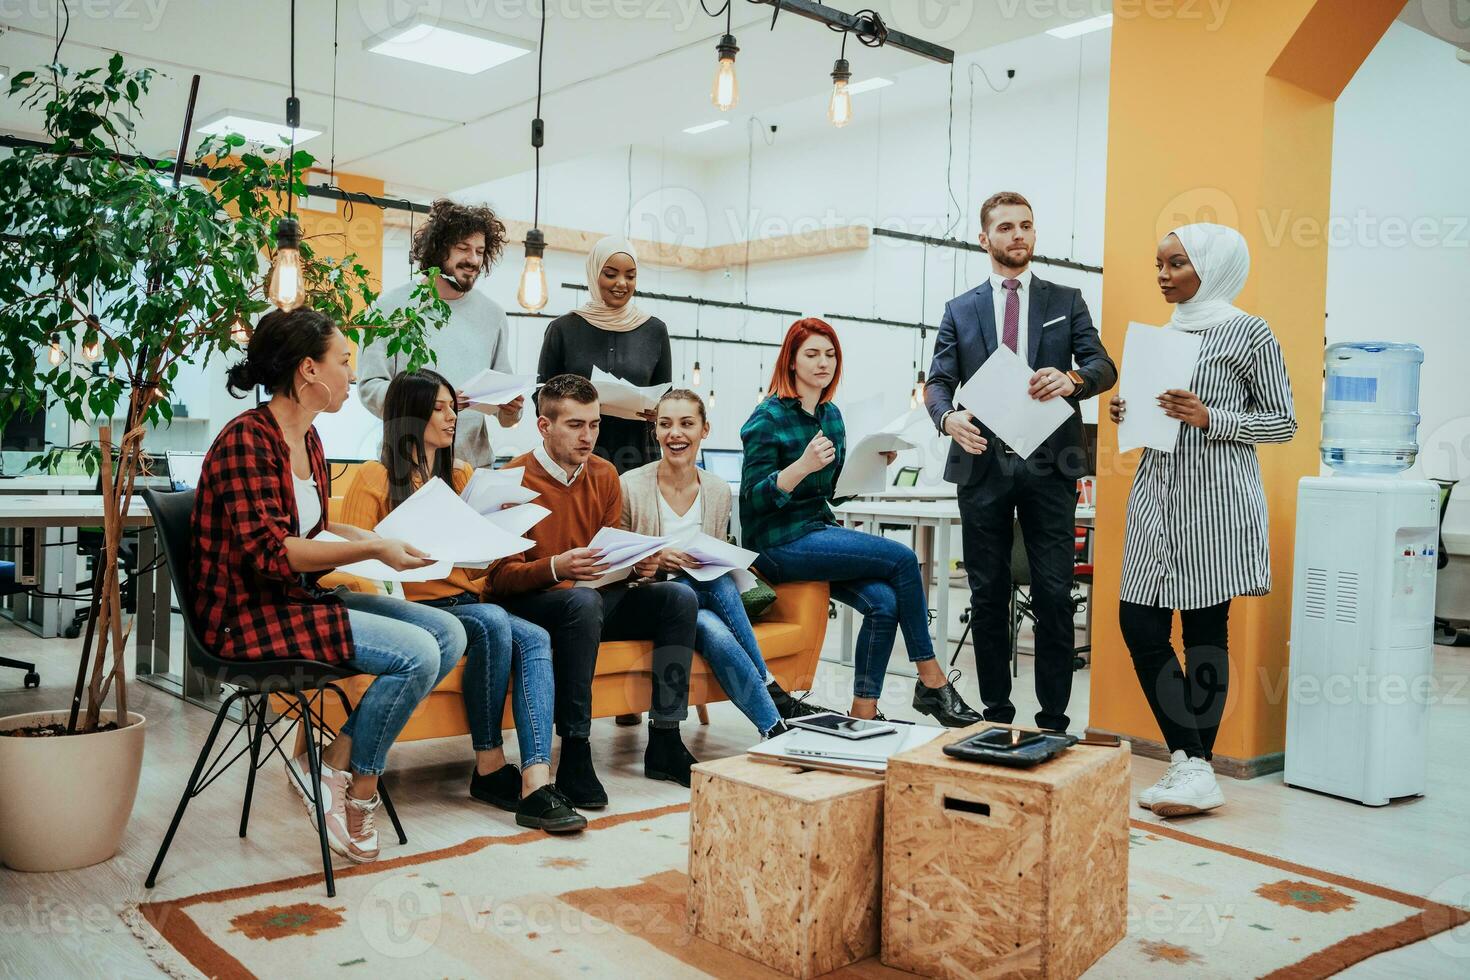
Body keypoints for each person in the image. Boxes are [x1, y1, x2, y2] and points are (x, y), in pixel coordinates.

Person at [192, 309, 467, 863]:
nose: (352, 374)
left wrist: (379, 538)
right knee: (415, 653)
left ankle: (333, 763)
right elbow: (275, 551)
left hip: (295, 600)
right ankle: (357, 794)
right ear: (308, 370)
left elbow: (311, 530)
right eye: (344, 361)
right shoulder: (247, 441)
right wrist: (371, 549)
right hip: (245, 620)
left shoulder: (309, 439)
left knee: (448, 632)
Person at [339, 370, 586, 834]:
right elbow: (357, 567)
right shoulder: (373, 478)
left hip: (466, 603)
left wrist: (494, 534)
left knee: (534, 636)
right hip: (414, 612)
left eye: (453, 406)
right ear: (408, 414)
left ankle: (535, 780)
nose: (452, 416)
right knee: (493, 620)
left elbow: (478, 572)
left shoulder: (462, 475)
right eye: (438, 407)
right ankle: (490, 766)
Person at [1112, 223, 1296, 818]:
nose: (1162, 275)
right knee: (1139, 623)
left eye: (1175, 264)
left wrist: (1211, 416)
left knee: (1203, 634)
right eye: (1159, 264)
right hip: (1155, 495)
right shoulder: (1159, 339)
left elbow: (1282, 422)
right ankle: (1193, 765)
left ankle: (1191, 768)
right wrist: (1126, 411)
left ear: (1210, 268)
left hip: (1215, 502)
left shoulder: (1250, 333)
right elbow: (1149, 421)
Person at [925, 190, 1117, 733]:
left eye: (1026, 225)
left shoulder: (1066, 300)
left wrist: (1074, 379)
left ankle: (1054, 720)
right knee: (988, 593)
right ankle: (995, 715)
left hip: (1049, 465)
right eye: (1006, 227)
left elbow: (1103, 365)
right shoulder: (959, 310)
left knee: (1055, 592)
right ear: (984, 239)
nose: (1019, 235)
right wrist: (946, 419)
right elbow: (938, 382)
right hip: (981, 462)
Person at [740, 318, 981, 725]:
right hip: (777, 543)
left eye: (830, 354)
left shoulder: (831, 415)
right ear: (792, 362)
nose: (823, 363)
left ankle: (863, 713)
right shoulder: (767, 417)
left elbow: (831, 490)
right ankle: (932, 681)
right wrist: (799, 466)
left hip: (817, 530)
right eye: (812, 354)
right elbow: (752, 501)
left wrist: (872, 464)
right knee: (903, 559)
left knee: (885, 604)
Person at [485, 374, 700, 807]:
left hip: (591, 599)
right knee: (582, 601)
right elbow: (498, 578)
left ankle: (665, 737)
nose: (589, 437)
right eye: (575, 425)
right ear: (544, 427)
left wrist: (638, 565)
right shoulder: (509, 480)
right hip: (535, 603)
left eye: (595, 425)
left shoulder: (604, 474)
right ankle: (576, 751)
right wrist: (553, 567)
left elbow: (608, 555)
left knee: (678, 597)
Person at [620, 389, 814, 737]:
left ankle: (773, 730)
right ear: (656, 432)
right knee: (715, 585)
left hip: (700, 604)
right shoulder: (630, 487)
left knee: (713, 626)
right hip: (653, 598)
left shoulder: (718, 490)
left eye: (686, 424)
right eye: (665, 424)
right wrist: (655, 559)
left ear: (704, 430)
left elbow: (717, 551)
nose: (674, 433)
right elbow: (617, 562)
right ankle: (770, 684)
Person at [358, 199, 523, 469]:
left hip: (473, 468)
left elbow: (505, 408)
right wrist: (430, 402)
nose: (473, 259)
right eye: (463, 249)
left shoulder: (493, 315)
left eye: (480, 251)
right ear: (437, 250)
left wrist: (511, 409)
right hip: (406, 469)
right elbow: (369, 388)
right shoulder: (389, 308)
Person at [537, 236, 672, 475]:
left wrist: (661, 412)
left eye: (630, 276)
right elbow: (541, 398)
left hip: (638, 457)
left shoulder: (655, 330)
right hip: (573, 458)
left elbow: (667, 399)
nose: (622, 283)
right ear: (594, 273)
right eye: (610, 274)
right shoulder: (563, 329)